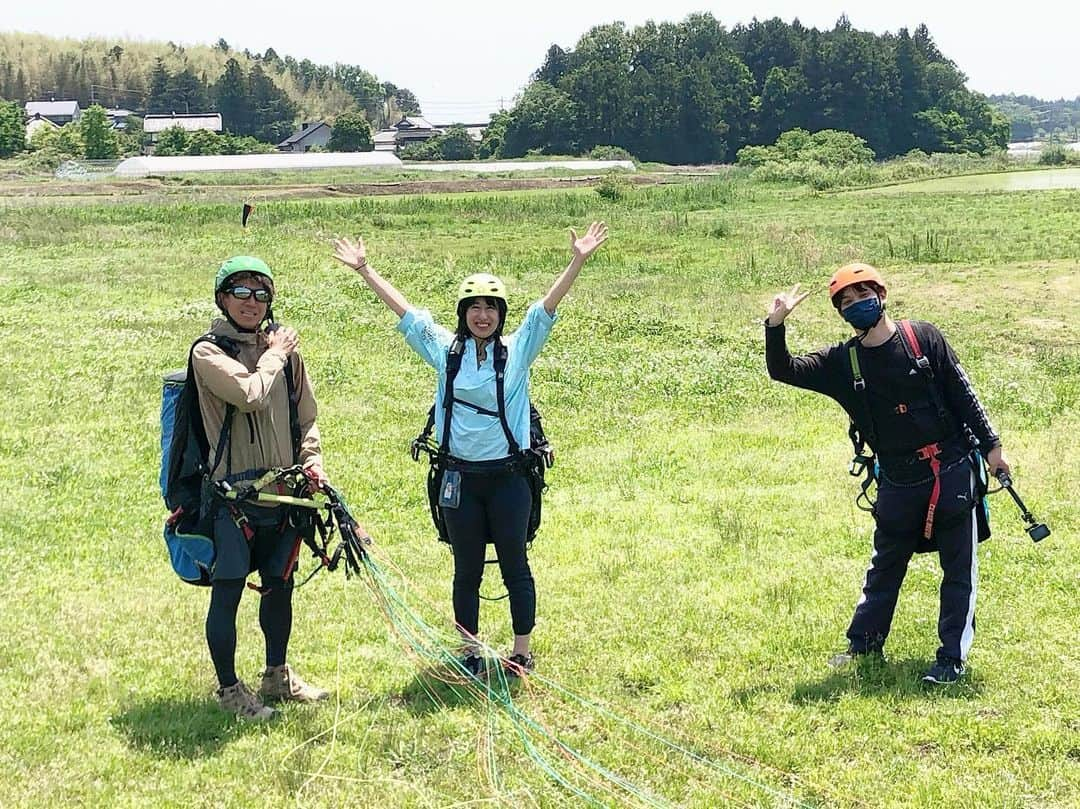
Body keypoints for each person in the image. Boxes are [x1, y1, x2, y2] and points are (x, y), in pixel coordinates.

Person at [332, 223, 608, 676]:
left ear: (501, 313)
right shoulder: (446, 352)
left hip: (509, 478)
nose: (483, 315)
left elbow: (545, 310)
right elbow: (408, 316)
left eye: (491, 308)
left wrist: (577, 259)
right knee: (467, 569)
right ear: (463, 313)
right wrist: (365, 270)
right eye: (474, 307)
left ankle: (521, 651)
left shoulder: (518, 351)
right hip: (459, 478)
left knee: (516, 563)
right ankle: (470, 651)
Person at [764, 263, 1008, 684]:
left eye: (863, 296)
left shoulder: (923, 338)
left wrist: (992, 447)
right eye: (847, 302)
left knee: (958, 569)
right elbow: (782, 369)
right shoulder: (843, 363)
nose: (857, 305)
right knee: (884, 566)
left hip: (951, 469)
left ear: (882, 294)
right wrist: (775, 323)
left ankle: (951, 660)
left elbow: (961, 390)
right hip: (896, 478)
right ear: (840, 313)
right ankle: (864, 646)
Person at [193, 255, 330, 720]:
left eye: (261, 294)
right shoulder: (207, 353)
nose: (252, 303)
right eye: (242, 293)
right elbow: (249, 394)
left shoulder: (286, 358)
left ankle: (276, 676)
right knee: (228, 591)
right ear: (222, 299)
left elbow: (305, 417)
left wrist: (312, 464)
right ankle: (230, 691)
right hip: (233, 499)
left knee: (280, 585)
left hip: (283, 494)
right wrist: (277, 353)